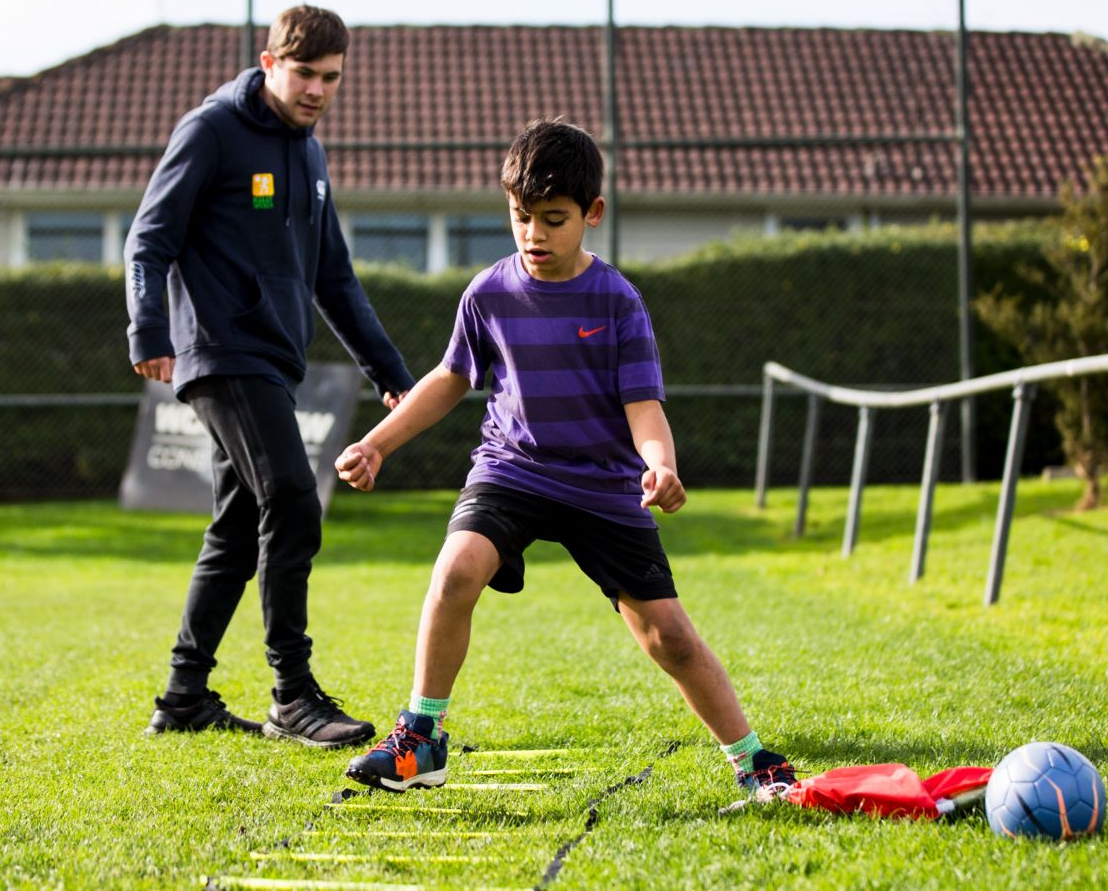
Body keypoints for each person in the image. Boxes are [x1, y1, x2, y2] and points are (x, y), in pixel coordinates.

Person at [334, 118, 796, 792]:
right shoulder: (487, 293)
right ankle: (422, 738)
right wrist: (377, 443)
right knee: (456, 571)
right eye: (521, 217)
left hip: (604, 488)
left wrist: (661, 464)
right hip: (511, 469)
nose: (534, 235)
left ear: (592, 215)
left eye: (553, 219)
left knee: (668, 638)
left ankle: (755, 762)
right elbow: (450, 379)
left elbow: (643, 405)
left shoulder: (616, 300)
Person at [126, 5, 416, 748]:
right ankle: (292, 695)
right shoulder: (212, 130)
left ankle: (184, 696)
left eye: (332, 78)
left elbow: (335, 280)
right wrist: (148, 330)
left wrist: (390, 372)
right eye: (306, 73)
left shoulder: (310, 155)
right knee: (291, 495)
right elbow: (148, 239)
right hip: (221, 352)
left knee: (234, 526)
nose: (319, 89)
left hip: (272, 362)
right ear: (268, 62)